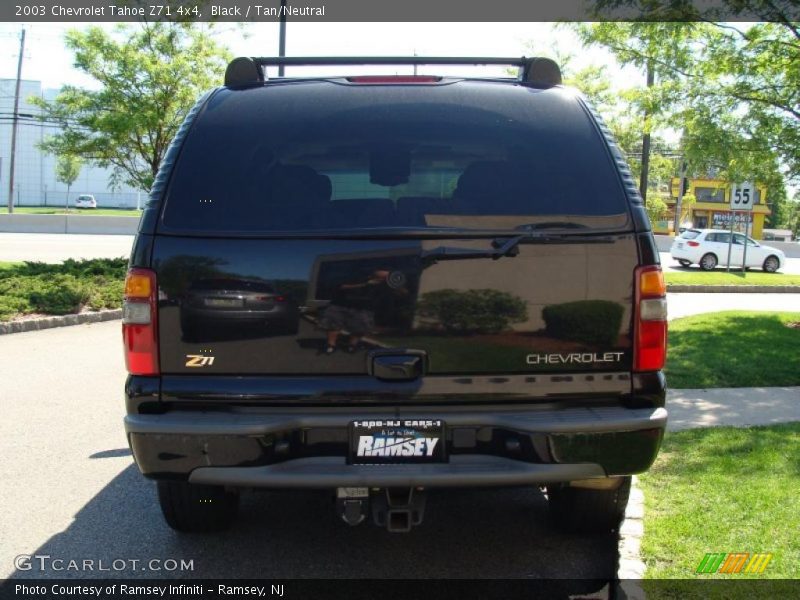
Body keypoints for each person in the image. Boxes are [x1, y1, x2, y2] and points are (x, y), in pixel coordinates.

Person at [319, 269, 393, 354]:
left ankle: (352, 345)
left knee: (360, 328)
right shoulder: (358, 277)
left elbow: (400, 292)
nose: (383, 279)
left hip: (363, 307)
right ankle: (331, 345)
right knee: (333, 325)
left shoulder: (386, 284)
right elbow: (341, 286)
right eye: (381, 277)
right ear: (373, 275)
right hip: (341, 304)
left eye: (385, 278)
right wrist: (365, 284)